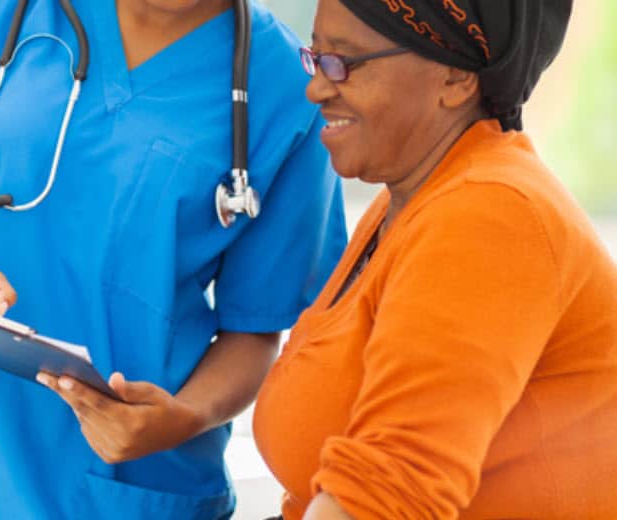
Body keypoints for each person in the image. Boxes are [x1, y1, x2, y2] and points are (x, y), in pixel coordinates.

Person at [0, 0, 348, 518]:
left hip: (133, 485)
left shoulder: (286, 85)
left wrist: (183, 417)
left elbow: (255, 330)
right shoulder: (3, 11)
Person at [253, 1, 617, 519]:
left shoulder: (488, 214)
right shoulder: (411, 199)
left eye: (344, 63)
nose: (316, 88)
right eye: (316, 57)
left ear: (456, 77)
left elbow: (384, 498)